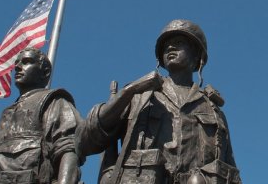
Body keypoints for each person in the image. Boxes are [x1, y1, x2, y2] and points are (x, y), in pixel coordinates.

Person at [78, 19, 241, 184]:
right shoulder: (139, 95)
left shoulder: (213, 109)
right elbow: (85, 141)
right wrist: (128, 92)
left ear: (197, 56)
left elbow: (230, 172)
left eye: (179, 42)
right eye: (166, 45)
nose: (170, 47)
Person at [0, 47, 82, 184]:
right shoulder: (8, 113)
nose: (17, 67)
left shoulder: (55, 102)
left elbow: (69, 150)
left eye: (26, 62)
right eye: (16, 63)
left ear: (45, 72)